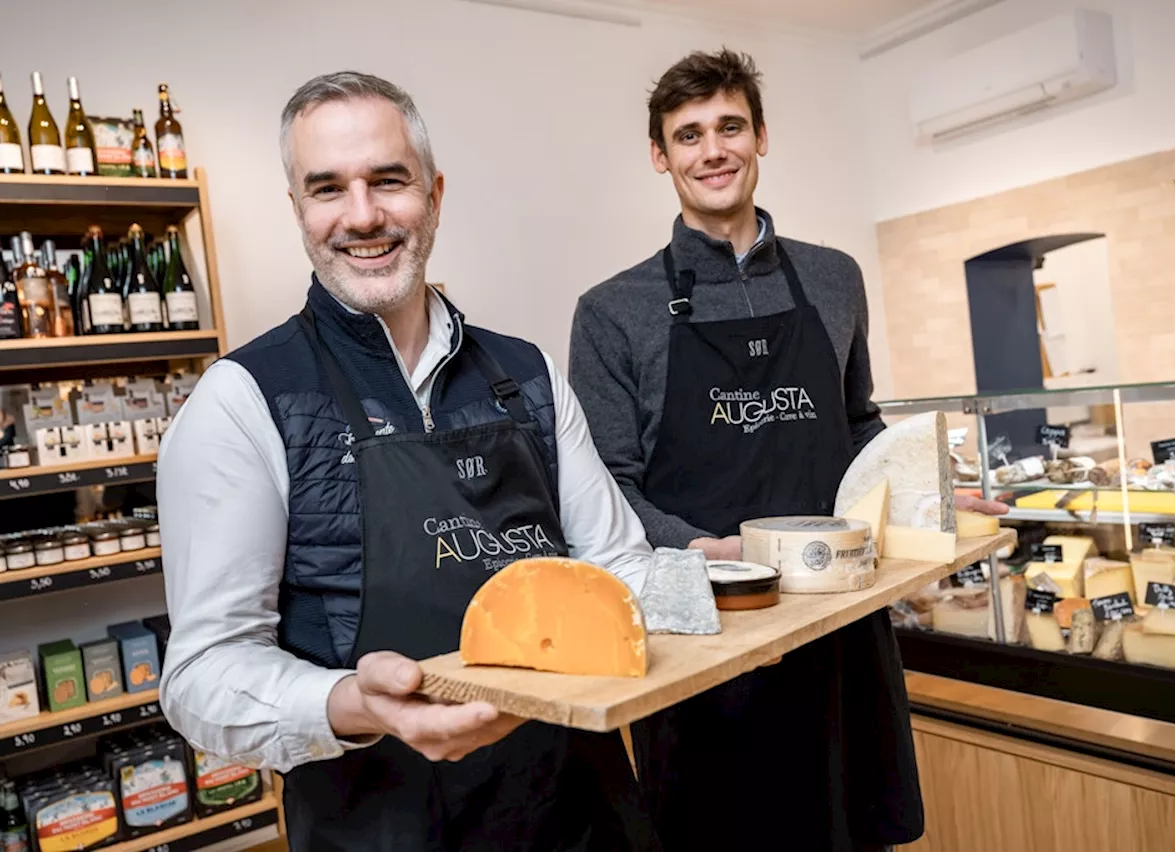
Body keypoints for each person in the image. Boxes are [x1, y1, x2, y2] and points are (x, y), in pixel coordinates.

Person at [157, 71, 660, 851]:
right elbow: (201, 677)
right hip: (381, 826)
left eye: (388, 180)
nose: (362, 216)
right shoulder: (242, 401)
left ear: (434, 192)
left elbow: (618, 569)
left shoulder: (528, 374)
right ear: (298, 210)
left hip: (579, 812)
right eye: (328, 189)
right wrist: (357, 704)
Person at [568, 49, 1007, 852]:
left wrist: (929, 495)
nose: (713, 150)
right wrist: (701, 552)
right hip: (707, 632)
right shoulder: (611, 311)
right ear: (661, 157)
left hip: (841, 616)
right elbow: (605, 489)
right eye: (689, 135)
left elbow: (857, 425)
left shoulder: (833, 279)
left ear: (760, 137)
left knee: (849, 826)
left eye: (730, 126)